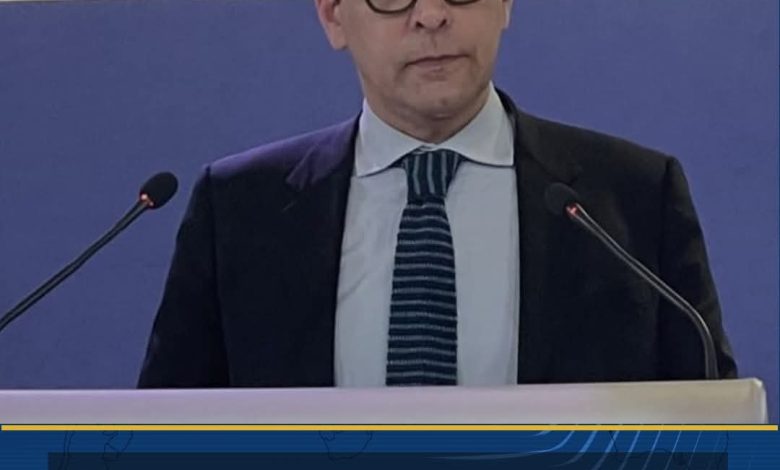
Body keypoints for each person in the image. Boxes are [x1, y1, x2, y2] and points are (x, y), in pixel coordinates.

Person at [138, 0, 736, 388]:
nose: (430, 15)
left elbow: (711, 425)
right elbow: (164, 437)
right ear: (333, 16)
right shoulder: (240, 209)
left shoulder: (632, 197)